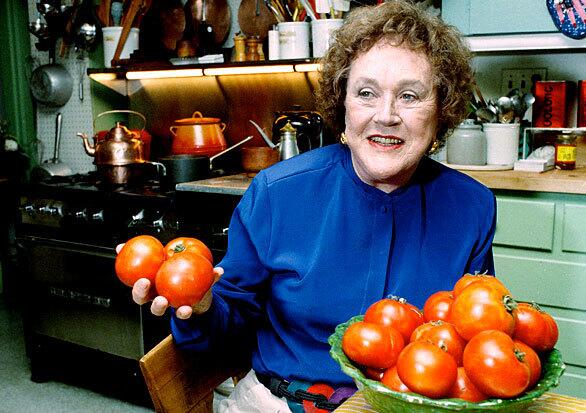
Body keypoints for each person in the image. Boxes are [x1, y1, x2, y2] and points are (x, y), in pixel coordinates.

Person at [132, 1, 496, 411]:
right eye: (366, 93)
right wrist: (201, 306)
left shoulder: (471, 208)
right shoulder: (277, 193)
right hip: (281, 403)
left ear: (441, 110)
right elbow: (227, 327)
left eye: (410, 96)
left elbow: (476, 338)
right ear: (343, 106)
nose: (386, 115)